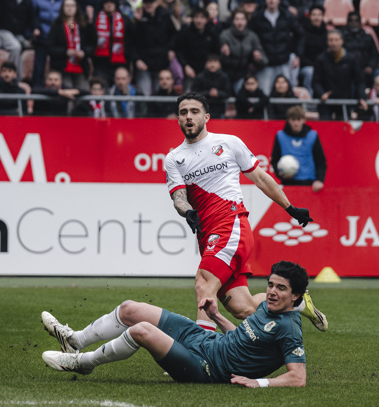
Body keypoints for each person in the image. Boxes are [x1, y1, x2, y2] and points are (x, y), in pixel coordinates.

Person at [163, 92, 326, 332]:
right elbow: (178, 197)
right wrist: (187, 211)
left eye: (195, 112)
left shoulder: (229, 143)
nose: (189, 117)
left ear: (206, 116)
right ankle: (299, 303)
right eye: (184, 112)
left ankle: (200, 354)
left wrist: (290, 208)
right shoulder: (173, 158)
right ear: (178, 119)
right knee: (244, 308)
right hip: (208, 235)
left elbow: (260, 178)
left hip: (231, 225)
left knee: (204, 283)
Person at [40, 261, 312, 387]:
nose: (273, 292)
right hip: (206, 341)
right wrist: (217, 317)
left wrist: (259, 384)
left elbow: (298, 378)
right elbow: (245, 337)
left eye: (281, 288)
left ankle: (81, 363)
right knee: (130, 309)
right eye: (271, 285)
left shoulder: (289, 328)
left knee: (141, 332)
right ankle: (74, 340)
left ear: (296, 296)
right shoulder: (266, 306)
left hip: (206, 368)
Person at [250, 0, 303, 95]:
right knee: (264, 93)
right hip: (265, 63)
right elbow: (250, 36)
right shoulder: (258, 17)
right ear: (265, 0)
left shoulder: (287, 16)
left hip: (283, 61)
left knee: (287, 94)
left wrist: (298, 55)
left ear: (279, 0)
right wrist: (254, 52)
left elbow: (300, 34)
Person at [313, 30, 366, 120]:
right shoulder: (321, 59)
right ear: (327, 42)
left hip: (345, 101)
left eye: (336, 40)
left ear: (342, 41)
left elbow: (359, 80)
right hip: (326, 102)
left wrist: (362, 97)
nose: (333, 43)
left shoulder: (352, 59)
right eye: (331, 40)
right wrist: (321, 94)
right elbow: (316, 81)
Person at [271, 106, 327, 191]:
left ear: (304, 120)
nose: (296, 123)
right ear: (288, 120)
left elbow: (321, 161)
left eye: (299, 119)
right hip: (288, 182)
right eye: (293, 120)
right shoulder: (280, 135)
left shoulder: (313, 135)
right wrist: (280, 174)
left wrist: (319, 180)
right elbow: (274, 159)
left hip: (308, 183)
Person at [48, 0, 95, 91]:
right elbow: (50, 48)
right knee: (67, 94)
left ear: (76, 8)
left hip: (80, 66)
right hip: (63, 66)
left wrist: (84, 52)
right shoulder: (56, 25)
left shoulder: (83, 25)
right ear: (63, 8)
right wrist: (66, 52)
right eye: (67, 6)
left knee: (83, 93)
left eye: (72, 6)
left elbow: (92, 44)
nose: (70, 8)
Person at [0, 0, 34, 79]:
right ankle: (12, 77)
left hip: (19, 33)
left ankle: (30, 78)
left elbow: (31, 17)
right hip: (4, 30)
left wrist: (34, 30)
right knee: (16, 47)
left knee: (31, 46)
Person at [173, 7, 219, 92]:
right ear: (192, 19)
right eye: (196, 17)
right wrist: (185, 66)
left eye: (202, 18)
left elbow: (215, 52)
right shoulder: (184, 33)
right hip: (189, 71)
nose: (199, 20)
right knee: (189, 96)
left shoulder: (212, 34)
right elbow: (179, 51)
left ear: (206, 20)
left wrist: (210, 65)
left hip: (207, 72)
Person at [219, 9, 265, 93]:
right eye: (237, 19)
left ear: (246, 21)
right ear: (233, 21)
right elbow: (217, 59)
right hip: (225, 74)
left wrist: (258, 59)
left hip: (243, 75)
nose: (240, 22)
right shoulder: (224, 35)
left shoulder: (252, 36)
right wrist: (224, 55)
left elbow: (264, 60)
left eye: (243, 19)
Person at [31, 0, 65, 87]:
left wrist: (72, 29)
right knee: (39, 67)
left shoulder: (65, 2)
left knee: (56, 67)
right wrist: (35, 28)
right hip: (42, 37)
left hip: (58, 40)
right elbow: (31, 17)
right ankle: (37, 90)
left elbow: (71, 20)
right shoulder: (36, 0)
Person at [92, 0, 128, 90]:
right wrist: (89, 23)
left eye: (111, 3)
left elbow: (131, 38)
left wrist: (137, 22)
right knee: (102, 90)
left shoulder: (124, 19)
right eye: (106, 3)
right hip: (101, 64)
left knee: (121, 91)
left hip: (120, 63)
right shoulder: (95, 19)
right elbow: (72, 25)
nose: (109, 5)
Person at [341, 11, 379, 88]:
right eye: (351, 21)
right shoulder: (342, 38)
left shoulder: (368, 37)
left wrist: (371, 66)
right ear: (347, 22)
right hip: (349, 70)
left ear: (360, 23)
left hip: (366, 69)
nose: (354, 23)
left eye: (356, 21)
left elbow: (375, 55)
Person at [298, 5, 327, 95]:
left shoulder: (327, 33)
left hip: (322, 66)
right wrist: (315, 65)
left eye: (319, 15)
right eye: (314, 15)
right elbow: (301, 53)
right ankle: (310, 99)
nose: (316, 18)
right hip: (306, 66)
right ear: (309, 16)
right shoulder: (303, 32)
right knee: (310, 72)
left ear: (323, 17)